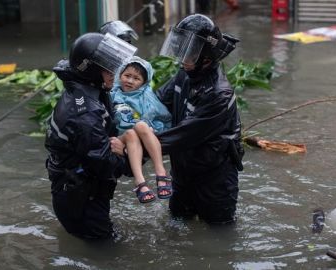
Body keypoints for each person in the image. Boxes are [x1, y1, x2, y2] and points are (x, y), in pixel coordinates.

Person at [45, 32, 137, 239]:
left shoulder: (86, 89)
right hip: (81, 199)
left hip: (79, 191)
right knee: (105, 253)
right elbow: (105, 164)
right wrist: (126, 153)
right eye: (109, 68)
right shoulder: (85, 113)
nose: (116, 72)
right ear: (93, 71)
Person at [155, 14, 244, 224]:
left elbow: (183, 135)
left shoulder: (218, 94)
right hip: (183, 175)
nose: (181, 58)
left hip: (214, 181)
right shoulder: (183, 75)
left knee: (219, 239)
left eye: (188, 52)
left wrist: (139, 148)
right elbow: (156, 103)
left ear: (205, 57)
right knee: (177, 227)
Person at [110, 56, 172, 203]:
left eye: (136, 78)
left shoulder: (147, 96)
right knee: (135, 128)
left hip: (136, 134)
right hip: (119, 137)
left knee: (136, 129)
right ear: (120, 75)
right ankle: (154, 178)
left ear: (144, 82)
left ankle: (144, 182)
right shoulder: (112, 94)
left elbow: (161, 116)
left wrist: (146, 126)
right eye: (127, 76)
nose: (130, 81)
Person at [99, 20, 139, 91]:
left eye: (127, 44)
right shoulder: (101, 64)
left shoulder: (130, 63)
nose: (125, 50)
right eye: (120, 45)